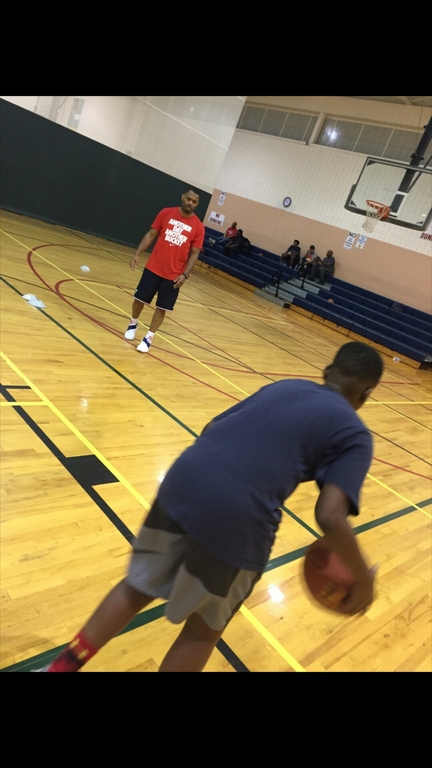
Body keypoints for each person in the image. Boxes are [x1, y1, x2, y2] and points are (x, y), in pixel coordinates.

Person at [34, 341, 382, 673]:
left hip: (184, 480)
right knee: (204, 628)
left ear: (327, 371)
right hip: (240, 517)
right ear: (366, 394)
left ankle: (57, 669)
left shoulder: (285, 387)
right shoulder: (355, 434)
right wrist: (363, 580)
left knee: (137, 586)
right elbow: (330, 515)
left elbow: (211, 426)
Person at [123, 190, 204, 353]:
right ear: (182, 197)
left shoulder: (198, 227)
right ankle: (133, 323)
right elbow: (151, 235)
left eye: (194, 201)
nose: (190, 203)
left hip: (174, 275)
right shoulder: (166, 212)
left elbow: (195, 254)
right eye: (188, 199)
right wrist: (137, 254)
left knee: (162, 308)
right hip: (154, 267)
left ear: (197, 204)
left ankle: (148, 338)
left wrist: (185, 275)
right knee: (139, 299)